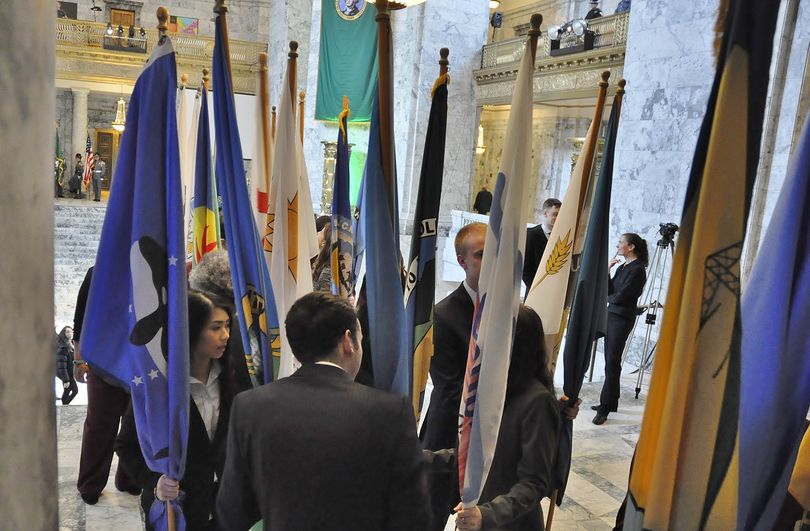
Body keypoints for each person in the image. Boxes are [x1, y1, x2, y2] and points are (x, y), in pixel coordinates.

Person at [216, 291, 428, 530]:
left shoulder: (249, 407)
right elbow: (413, 514)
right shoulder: (391, 412)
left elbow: (232, 508)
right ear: (348, 341)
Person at [116, 290, 236, 531]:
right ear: (190, 330)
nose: (225, 335)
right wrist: (154, 482)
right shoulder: (158, 386)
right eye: (215, 327)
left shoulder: (234, 379)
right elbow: (126, 444)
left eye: (227, 326)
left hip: (226, 509)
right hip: (179, 511)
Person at [454, 306, 561, 530]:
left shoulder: (538, 402)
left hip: (512, 523)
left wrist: (486, 514)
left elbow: (534, 483)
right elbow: (476, 452)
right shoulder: (496, 391)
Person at [73, 266, 140, 504]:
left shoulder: (153, 266)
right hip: (104, 359)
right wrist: (79, 357)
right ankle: (90, 484)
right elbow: (81, 314)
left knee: (137, 424)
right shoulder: (99, 270)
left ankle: (130, 478)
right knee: (100, 424)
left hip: (140, 361)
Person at [420, 222, 486, 452]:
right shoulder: (443, 315)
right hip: (451, 435)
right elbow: (450, 387)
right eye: (481, 255)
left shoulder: (509, 311)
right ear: (462, 261)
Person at [592, 232, 648, 425]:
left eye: (620, 243)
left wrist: (606, 299)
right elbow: (610, 290)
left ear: (631, 247)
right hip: (612, 315)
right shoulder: (623, 266)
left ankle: (605, 406)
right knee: (611, 359)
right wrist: (607, 270)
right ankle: (612, 400)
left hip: (621, 318)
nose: (617, 245)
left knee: (612, 361)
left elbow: (622, 296)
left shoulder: (638, 269)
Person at [523, 198, 561, 292]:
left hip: (555, 292)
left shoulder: (561, 236)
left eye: (560, 215)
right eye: (555, 214)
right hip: (534, 291)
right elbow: (525, 268)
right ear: (545, 213)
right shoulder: (531, 235)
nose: (558, 218)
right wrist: (536, 289)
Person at [55, 325, 78, 404]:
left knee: (69, 390)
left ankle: (65, 404)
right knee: (74, 390)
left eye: (71, 332)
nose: (70, 333)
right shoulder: (63, 347)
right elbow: (61, 366)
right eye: (67, 332)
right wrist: (66, 380)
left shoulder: (72, 344)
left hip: (70, 373)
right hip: (66, 374)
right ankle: (65, 404)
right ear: (63, 334)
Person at [312, 223, 332, 292]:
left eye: (320, 232)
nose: (317, 233)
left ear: (323, 243)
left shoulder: (327, 271)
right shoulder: (322, 263)